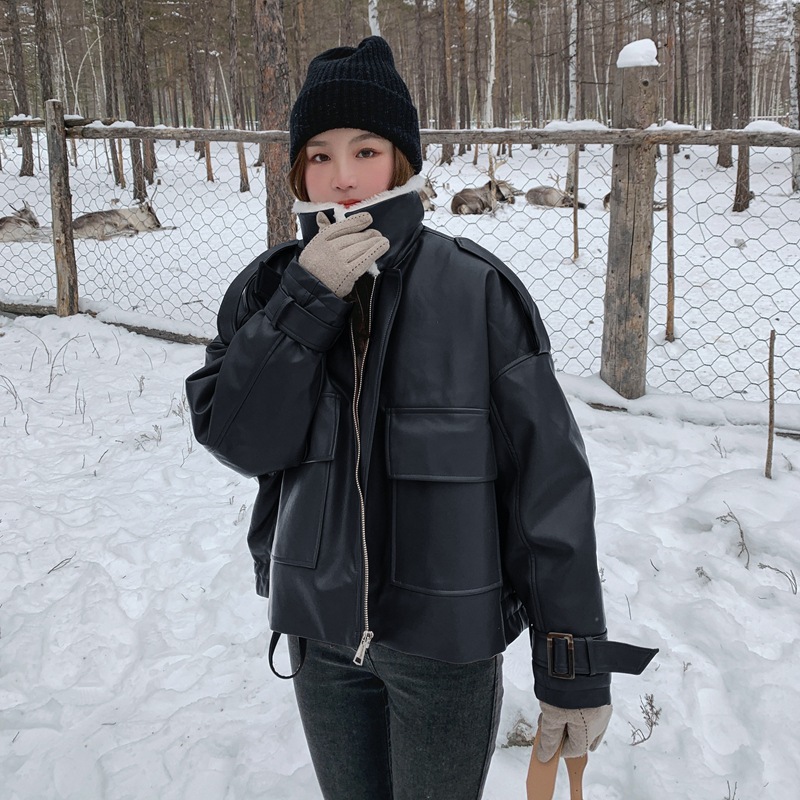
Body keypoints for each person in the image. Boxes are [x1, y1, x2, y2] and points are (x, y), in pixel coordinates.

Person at [186, 36, 656, 800]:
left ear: (402, 161)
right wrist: (308, 303)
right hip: (319, 638)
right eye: (318, 155)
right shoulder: (268, 292)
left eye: (365, 151)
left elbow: (549, 490)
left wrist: (571, 666)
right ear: (297, 170)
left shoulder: (477, 293)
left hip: (446, 654)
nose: (341, 177)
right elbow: (241, 440)